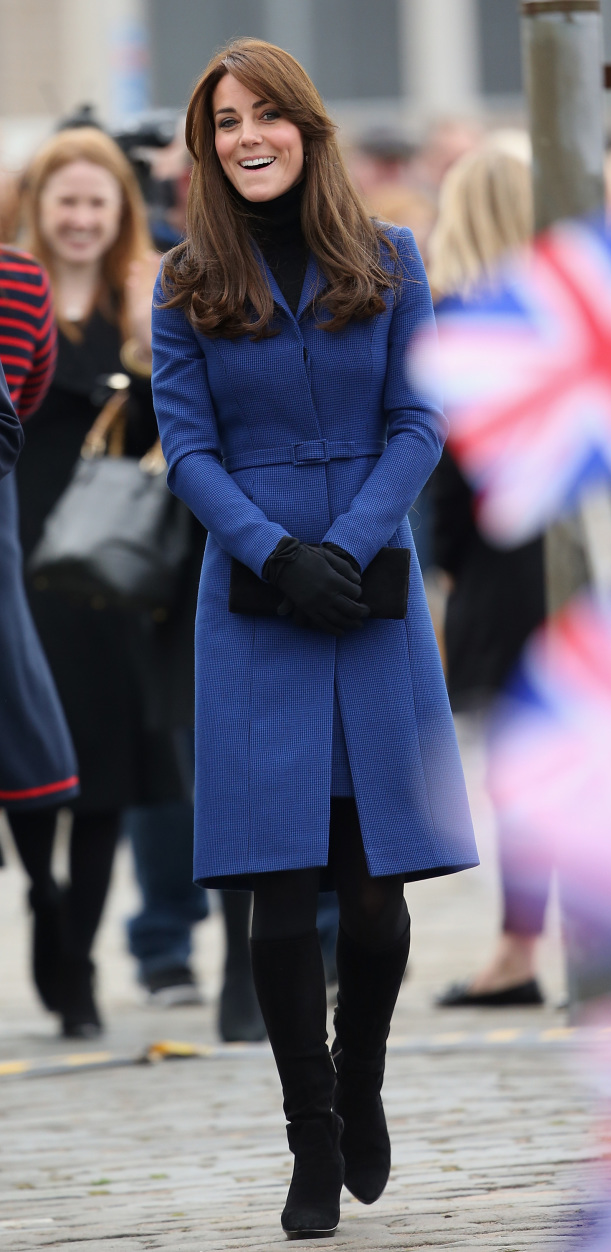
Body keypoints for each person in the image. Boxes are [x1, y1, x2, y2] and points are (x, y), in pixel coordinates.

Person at [152, 38, 477, 1239]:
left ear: (306, 126)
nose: (245, 135)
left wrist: (345, 542)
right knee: (280, 897)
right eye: (224, 120)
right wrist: (273, 551)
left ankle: (364, 1075)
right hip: (252, 600)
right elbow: (185, 449)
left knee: (374, 887)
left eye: (264, 115)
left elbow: (417, 413)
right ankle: (310, 1132)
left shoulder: (390, 259)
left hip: (367, 584)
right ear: (208, 145)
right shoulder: (185, 279)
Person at [11, 127, 187, 1038]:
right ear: (37, 209)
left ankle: (79, 958)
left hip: (113, 568)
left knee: (109, 773)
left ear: (120, 212)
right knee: (33, 765)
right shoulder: (12, 295)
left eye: (97, 203)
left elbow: (182, 426)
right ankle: (45, 902)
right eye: (65, 202)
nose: (81, 219)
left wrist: (152, 342)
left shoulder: (148, 300)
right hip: (23, 561)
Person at [425, 142, 549, 1006]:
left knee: (518, 775)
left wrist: (442, 573)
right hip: (586, 560)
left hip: (501, 572)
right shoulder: (573, 317)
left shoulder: (456, 326)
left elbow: (449, 478)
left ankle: (519, 949)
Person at [0, 245, 81, 1009]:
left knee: (18, 723)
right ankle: (43, 886)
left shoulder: (16, 279)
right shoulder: (22, 275)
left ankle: (44, 890)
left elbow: (14, 407)